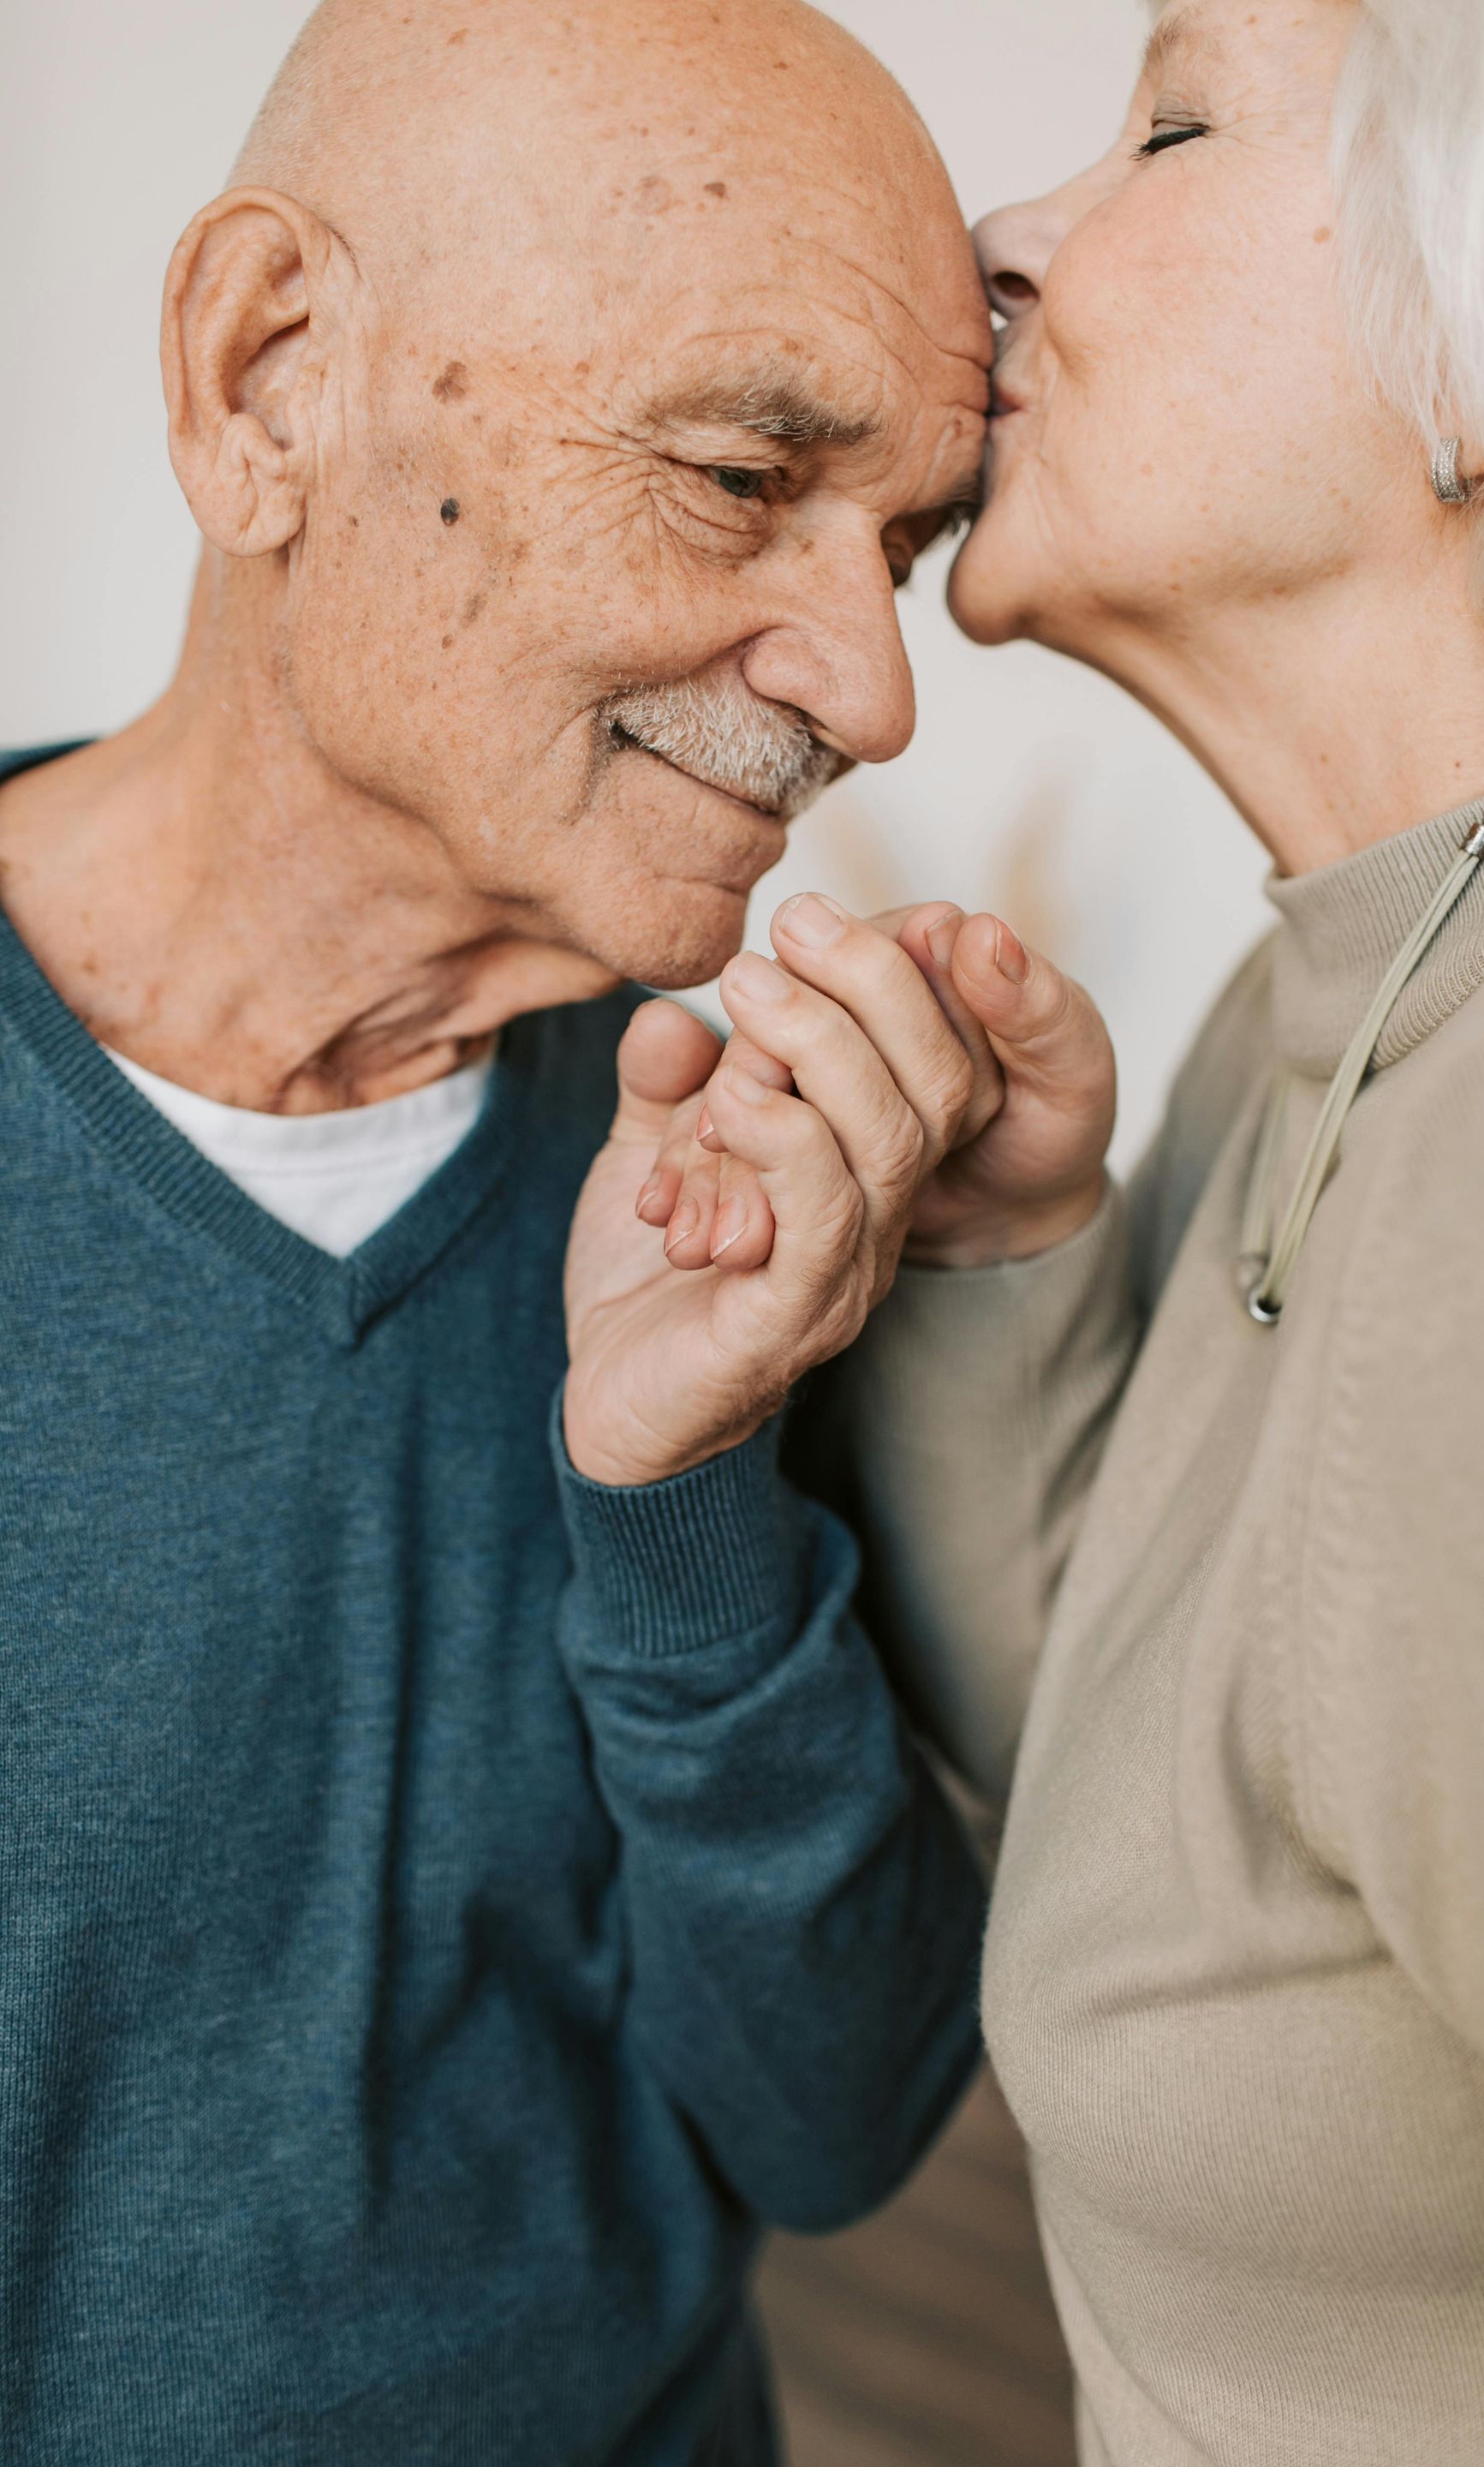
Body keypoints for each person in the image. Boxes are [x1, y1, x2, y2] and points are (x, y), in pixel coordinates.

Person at [0, 2, 1034, 2458]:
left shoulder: (746, 1191)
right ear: (269, 379)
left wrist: (676, 1499)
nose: (877, 690)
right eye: (735, 474)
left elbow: (834, 2121)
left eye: (900, 542)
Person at [660, 0, 1484, 2458]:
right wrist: (1013, 1262)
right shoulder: (1343, 988)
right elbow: (1222, 1859)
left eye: (1175, 126)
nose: (1008, 236)